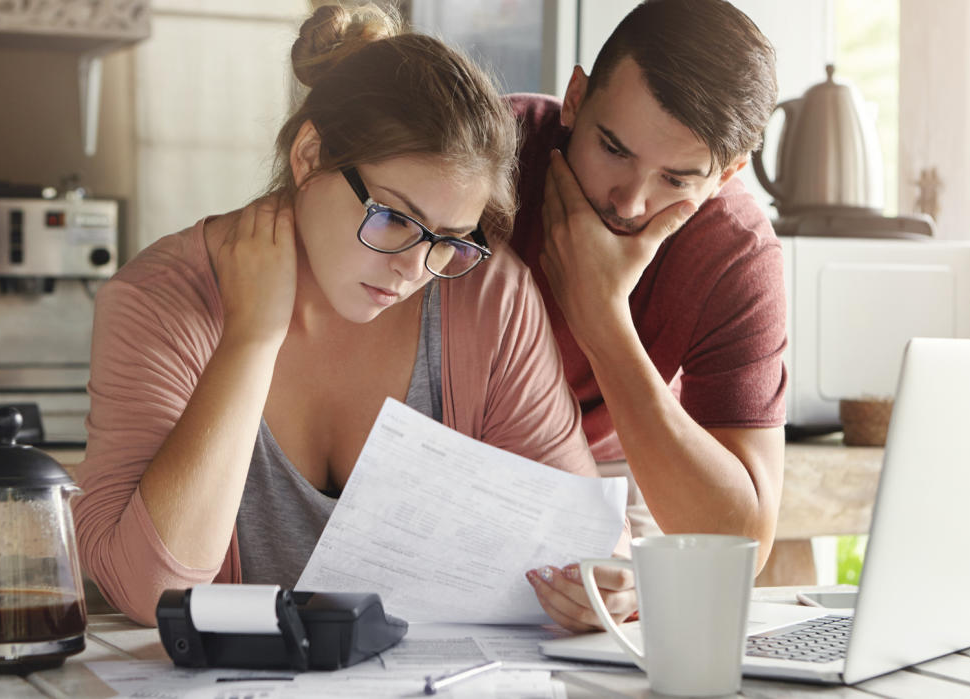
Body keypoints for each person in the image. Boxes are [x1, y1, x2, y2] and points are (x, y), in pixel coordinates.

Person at [73, 4, 632, 630]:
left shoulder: (488, 295)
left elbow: (582, 544)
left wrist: (606, 586)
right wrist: (252, 338)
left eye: (448, 238)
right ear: (310, 156)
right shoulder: (159, 300)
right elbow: (150, 590)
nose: (414, 268)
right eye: (393, 217)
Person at [515, 0, 788, 630]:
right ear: (576, 97)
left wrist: (603, 320)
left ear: (727, 173)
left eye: (677, 179)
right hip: (441, 444)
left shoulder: (736, 252)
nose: (631, 202)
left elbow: (739, 547)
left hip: (619, 467)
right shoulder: (487, 153)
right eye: (613, 148)